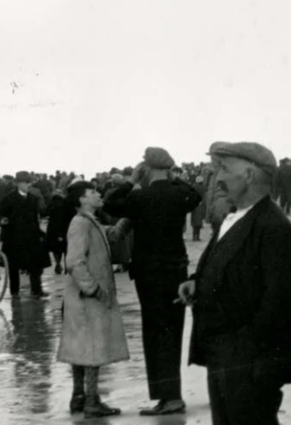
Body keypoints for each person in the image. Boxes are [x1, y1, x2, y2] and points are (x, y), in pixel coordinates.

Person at [179, 142, 291, 425]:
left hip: (248, 362)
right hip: (224, 357)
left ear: (249, 175)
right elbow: (228, 264)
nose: (217, 178)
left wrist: (247, 355)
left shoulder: (274, 227)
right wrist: (197, 281)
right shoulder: (234, 219)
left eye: (224, 169)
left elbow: (278, 303)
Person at [103, 147, 201, 416]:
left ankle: (167, 397)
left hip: (147, 273)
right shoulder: (179, 193)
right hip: (175, 271)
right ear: (169, 168)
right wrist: (175, 176)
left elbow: (110, 203)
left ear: (146, 168)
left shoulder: (140, 197)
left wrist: (132, 180)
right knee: (172, 331)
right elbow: (196, 195)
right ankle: (170, 396)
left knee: (154, 333)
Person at [57, 180, 129, 418]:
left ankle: (78, 397)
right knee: (93, 348)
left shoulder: (89, 222)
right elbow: (74, 262)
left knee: (80, 347)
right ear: (81, 200)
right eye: (92, 192)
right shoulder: (80, 223)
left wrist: (127, 219)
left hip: (79, 297)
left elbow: (112, 236)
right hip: (87, 297)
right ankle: (92, 400)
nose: (98, 195)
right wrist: (94, 289)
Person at [0, 170, 51, 299]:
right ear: (18, 184)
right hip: (13, 237)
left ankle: (37, 290)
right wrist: (2, 220)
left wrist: (39, 232)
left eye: (30, 182)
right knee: (13, 266)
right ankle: (14, 292)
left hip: (31, 235)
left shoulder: (32, 198)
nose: (29, 185)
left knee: (36, 263)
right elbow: (0, 215)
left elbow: (34, 217)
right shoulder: (8, 198)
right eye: (26, 183)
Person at [45, 185, 76, 274]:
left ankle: (58, 263)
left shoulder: (51, 203)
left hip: (53, 229)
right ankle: (67, 266)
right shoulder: (66, 203)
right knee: (66, 248)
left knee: (55, 248)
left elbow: (45, 212)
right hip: (65, 227)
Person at [189, 175, 207, 241]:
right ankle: (198, 237)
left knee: (194, 222)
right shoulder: (204, 187)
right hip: (201, 205)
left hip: (194, 206)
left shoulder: (194, 187)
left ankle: (194, 237)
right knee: (199, 222)